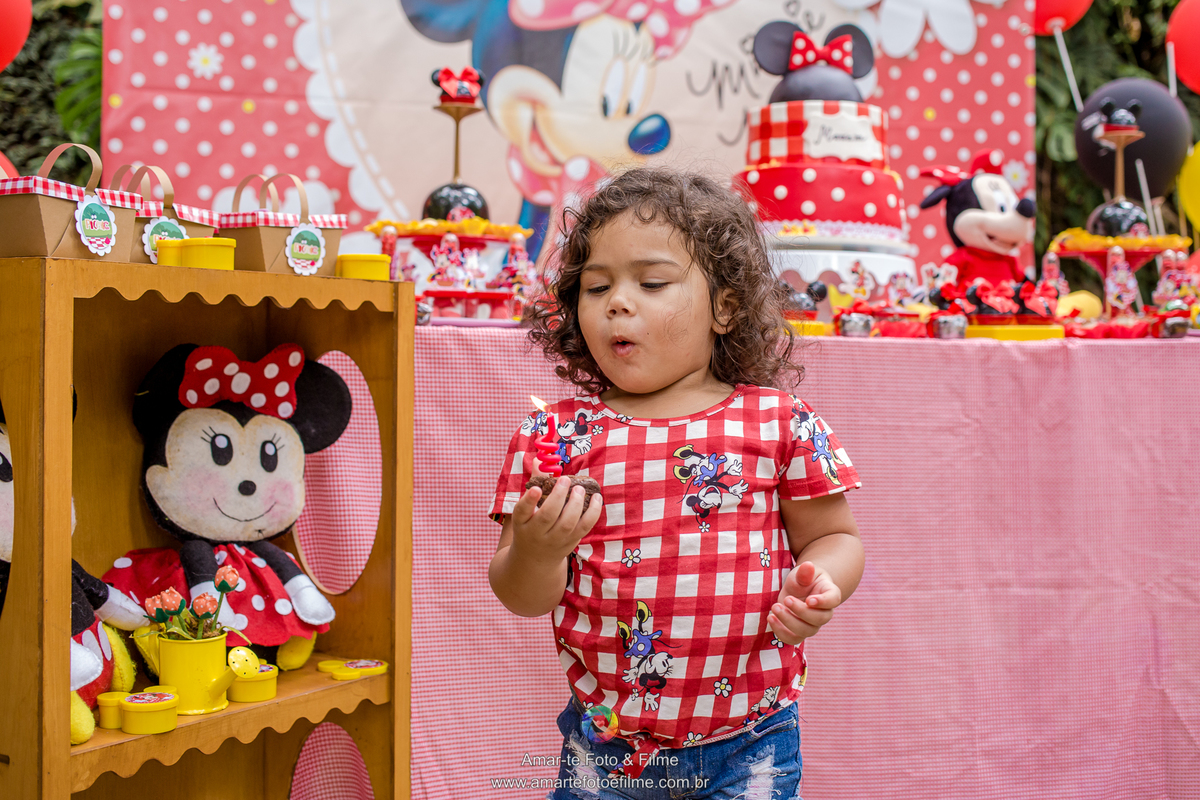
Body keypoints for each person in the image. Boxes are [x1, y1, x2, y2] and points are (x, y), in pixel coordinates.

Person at [489, 167, 864, 799]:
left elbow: (835, 538)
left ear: (727, 305)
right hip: (605, 749)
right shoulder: (555, 437)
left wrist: (820, 586)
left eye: (652, 281)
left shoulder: (777, 421)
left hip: (753, 738)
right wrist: (537, 549)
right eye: (595, 286)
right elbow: (521, 596)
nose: (617, 301)